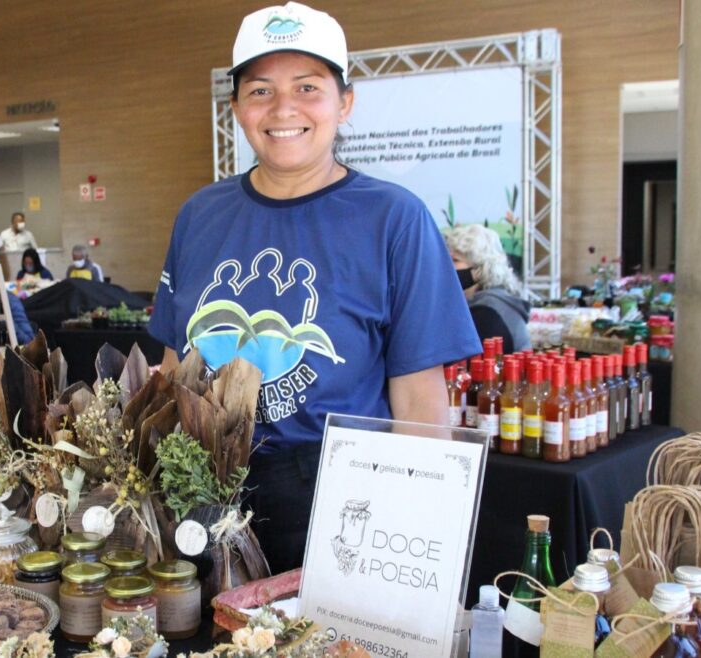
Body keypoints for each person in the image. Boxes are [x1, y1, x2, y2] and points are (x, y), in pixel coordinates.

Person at [147, 2, 480, 573]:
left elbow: (421, 399)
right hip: (200, 493)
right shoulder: (199, 214)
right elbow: (174, 366)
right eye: (260, 91)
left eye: (307, 87)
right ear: (236, 107)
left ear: (344, 103)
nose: (283, 109)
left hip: (336, 494)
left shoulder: (394, 219)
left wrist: (421, 535)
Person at [445, 225, 532, 352]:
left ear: (478, 268)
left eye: (455, 260)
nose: (447, 266)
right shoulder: (495, 300)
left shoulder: (487, 312)